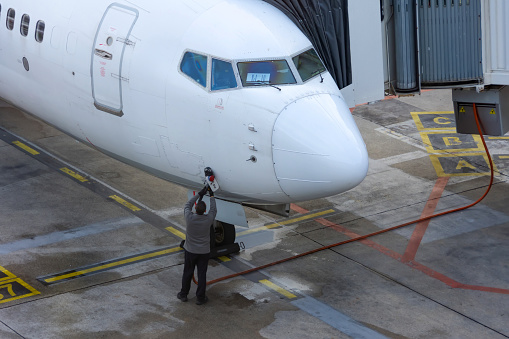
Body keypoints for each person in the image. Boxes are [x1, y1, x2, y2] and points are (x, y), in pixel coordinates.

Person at [177, 185, 217, 305]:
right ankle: (200, 297)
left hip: (190, 251)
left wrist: (199, 194)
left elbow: (187, 205)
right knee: (201, 274)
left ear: (196, 209)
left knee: (188, 272)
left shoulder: (189, 218)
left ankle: (183, 294)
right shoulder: (208, 219)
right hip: (204, 252)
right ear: (204, 211)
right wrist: (211, 195)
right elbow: (214, 209)